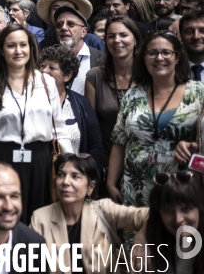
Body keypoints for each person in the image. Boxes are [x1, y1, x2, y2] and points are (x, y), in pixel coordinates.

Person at [0, 25, 73, 223]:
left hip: (41, 160)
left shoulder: (46, 82)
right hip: (3, 159)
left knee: (41, 218)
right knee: (6, 217)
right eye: (11, 46)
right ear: (1, 50)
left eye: (23, 45)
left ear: (31, 48)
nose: (18, 51)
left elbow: (59, 128)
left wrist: (70, 163)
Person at [107, 31, 204, 212]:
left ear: (177, 58)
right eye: (152, 53)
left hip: (182, 189)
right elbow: (119, 141)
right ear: (144, 59)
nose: (159, 58)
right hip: (135, 189)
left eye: (166, 52)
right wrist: (111, 183)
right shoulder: (132, 95)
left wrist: (194, 146)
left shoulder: (199, 93)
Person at [30, 154, 149, 274]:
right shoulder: (40, 218)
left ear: (90, 187)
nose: (65, 181)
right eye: (61, 175)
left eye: (75, 176)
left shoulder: (104, 210)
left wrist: (141, 237)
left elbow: (149, 215)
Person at [85, 16, 142, 181]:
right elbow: (91, 127)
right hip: (107, 162)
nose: (117, 40)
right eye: (111, 36)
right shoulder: (95, 76)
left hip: (143, 162)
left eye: (123, 35)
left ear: (135, 39)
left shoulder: (149, 76)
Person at [38, 46, 104, 167]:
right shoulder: (29, 100)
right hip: (38, 172)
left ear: (67, 76)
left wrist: (93, 176)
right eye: (42, 66)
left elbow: (95, 145)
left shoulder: (81, 103)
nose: (44, 71)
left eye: (52, 67)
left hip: (71, 175)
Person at [139, 171, 204, 273]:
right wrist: (142, 235)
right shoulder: (155, 244)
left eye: (186, 209)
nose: (178, 219)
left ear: (200, 209)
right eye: (168, 210)